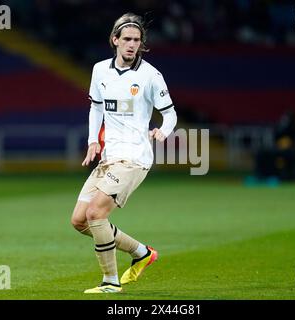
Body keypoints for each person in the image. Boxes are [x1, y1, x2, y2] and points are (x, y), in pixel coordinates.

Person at [70, 13, 177, 293]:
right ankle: (142, 252)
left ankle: (110, 282)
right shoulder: (99, 70)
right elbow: (96, 107)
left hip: (134, 157)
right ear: (115, 40)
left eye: (137, 40)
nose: (132, 45)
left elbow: (170, 113)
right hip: (109, 156)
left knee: (95, 213)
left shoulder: (151, 75)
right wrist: (94, 140)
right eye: (127, 39)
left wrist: (163, 131)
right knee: (80, 220)